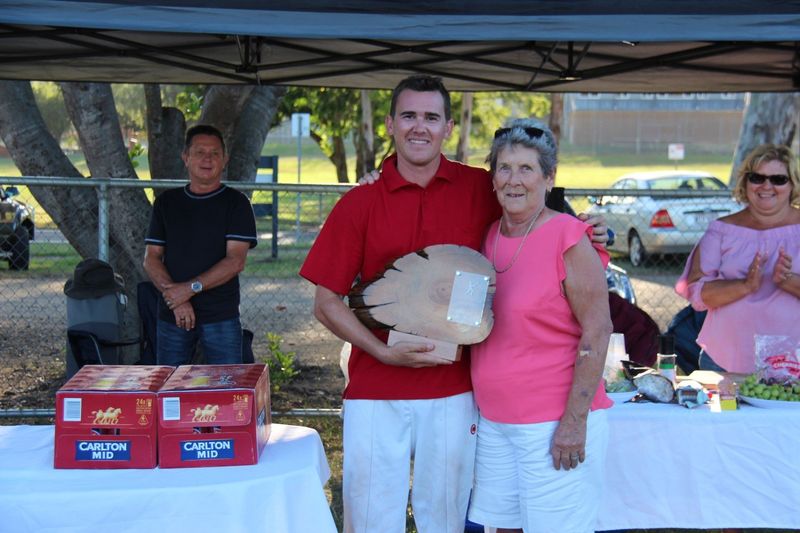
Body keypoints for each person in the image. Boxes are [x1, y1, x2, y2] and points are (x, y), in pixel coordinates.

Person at [300, 74, 608, 533]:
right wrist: (381, 351)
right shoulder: (360, 202)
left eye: (431, 117)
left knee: (442, 520)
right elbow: (326, 301)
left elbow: (532, 203)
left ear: (448, 128)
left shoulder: (479, 188)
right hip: (374, 389)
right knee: (368, 518)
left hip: (454, 391)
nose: (419, 127)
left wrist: (591, 228)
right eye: (408, 116)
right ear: (390, 124)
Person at [467, 119, 613, 533]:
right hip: (495, 423)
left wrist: (573, 421)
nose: (514, 180)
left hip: (553, 424)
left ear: (549, 178)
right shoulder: (489, 236)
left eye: (527, 169)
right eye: (504, 168)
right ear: (493, 178)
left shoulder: (569, 236)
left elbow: (597, 331)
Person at [675, 143, 800, 373]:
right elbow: (698, 295)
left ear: (793, 184)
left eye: (778, 179)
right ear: (745, 182)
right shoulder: (721, 231)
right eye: (757, 178)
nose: (766, 186)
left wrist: (789, 281)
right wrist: (745, 285)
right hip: (725, 358)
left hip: (794, 363)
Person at [143, 124, 257, 366]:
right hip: (172, 314)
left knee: (226, 389)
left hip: (221, 317)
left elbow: (235, 261)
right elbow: (151, 258)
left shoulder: (237, 204)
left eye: (215, 153)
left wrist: (189, 289)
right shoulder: (166, 203)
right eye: (200, 152)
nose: (207, 159)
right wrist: (177, 297)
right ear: (186, 157)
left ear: (224, 160)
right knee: (170, 389)